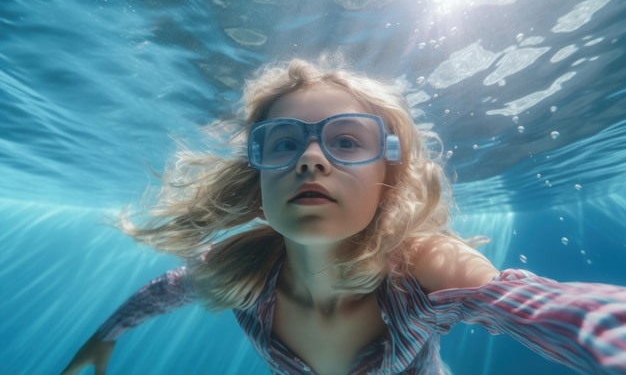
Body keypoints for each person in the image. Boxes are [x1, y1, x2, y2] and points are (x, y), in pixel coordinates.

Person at [61, 59, 626, 375]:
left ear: (390, 176)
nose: (311, 157)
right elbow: (164, 291)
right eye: (282, 143)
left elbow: (541, 307)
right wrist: (104, 336)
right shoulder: (240, 270)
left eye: (347, 141)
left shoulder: (426, 268)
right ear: (258, 179)